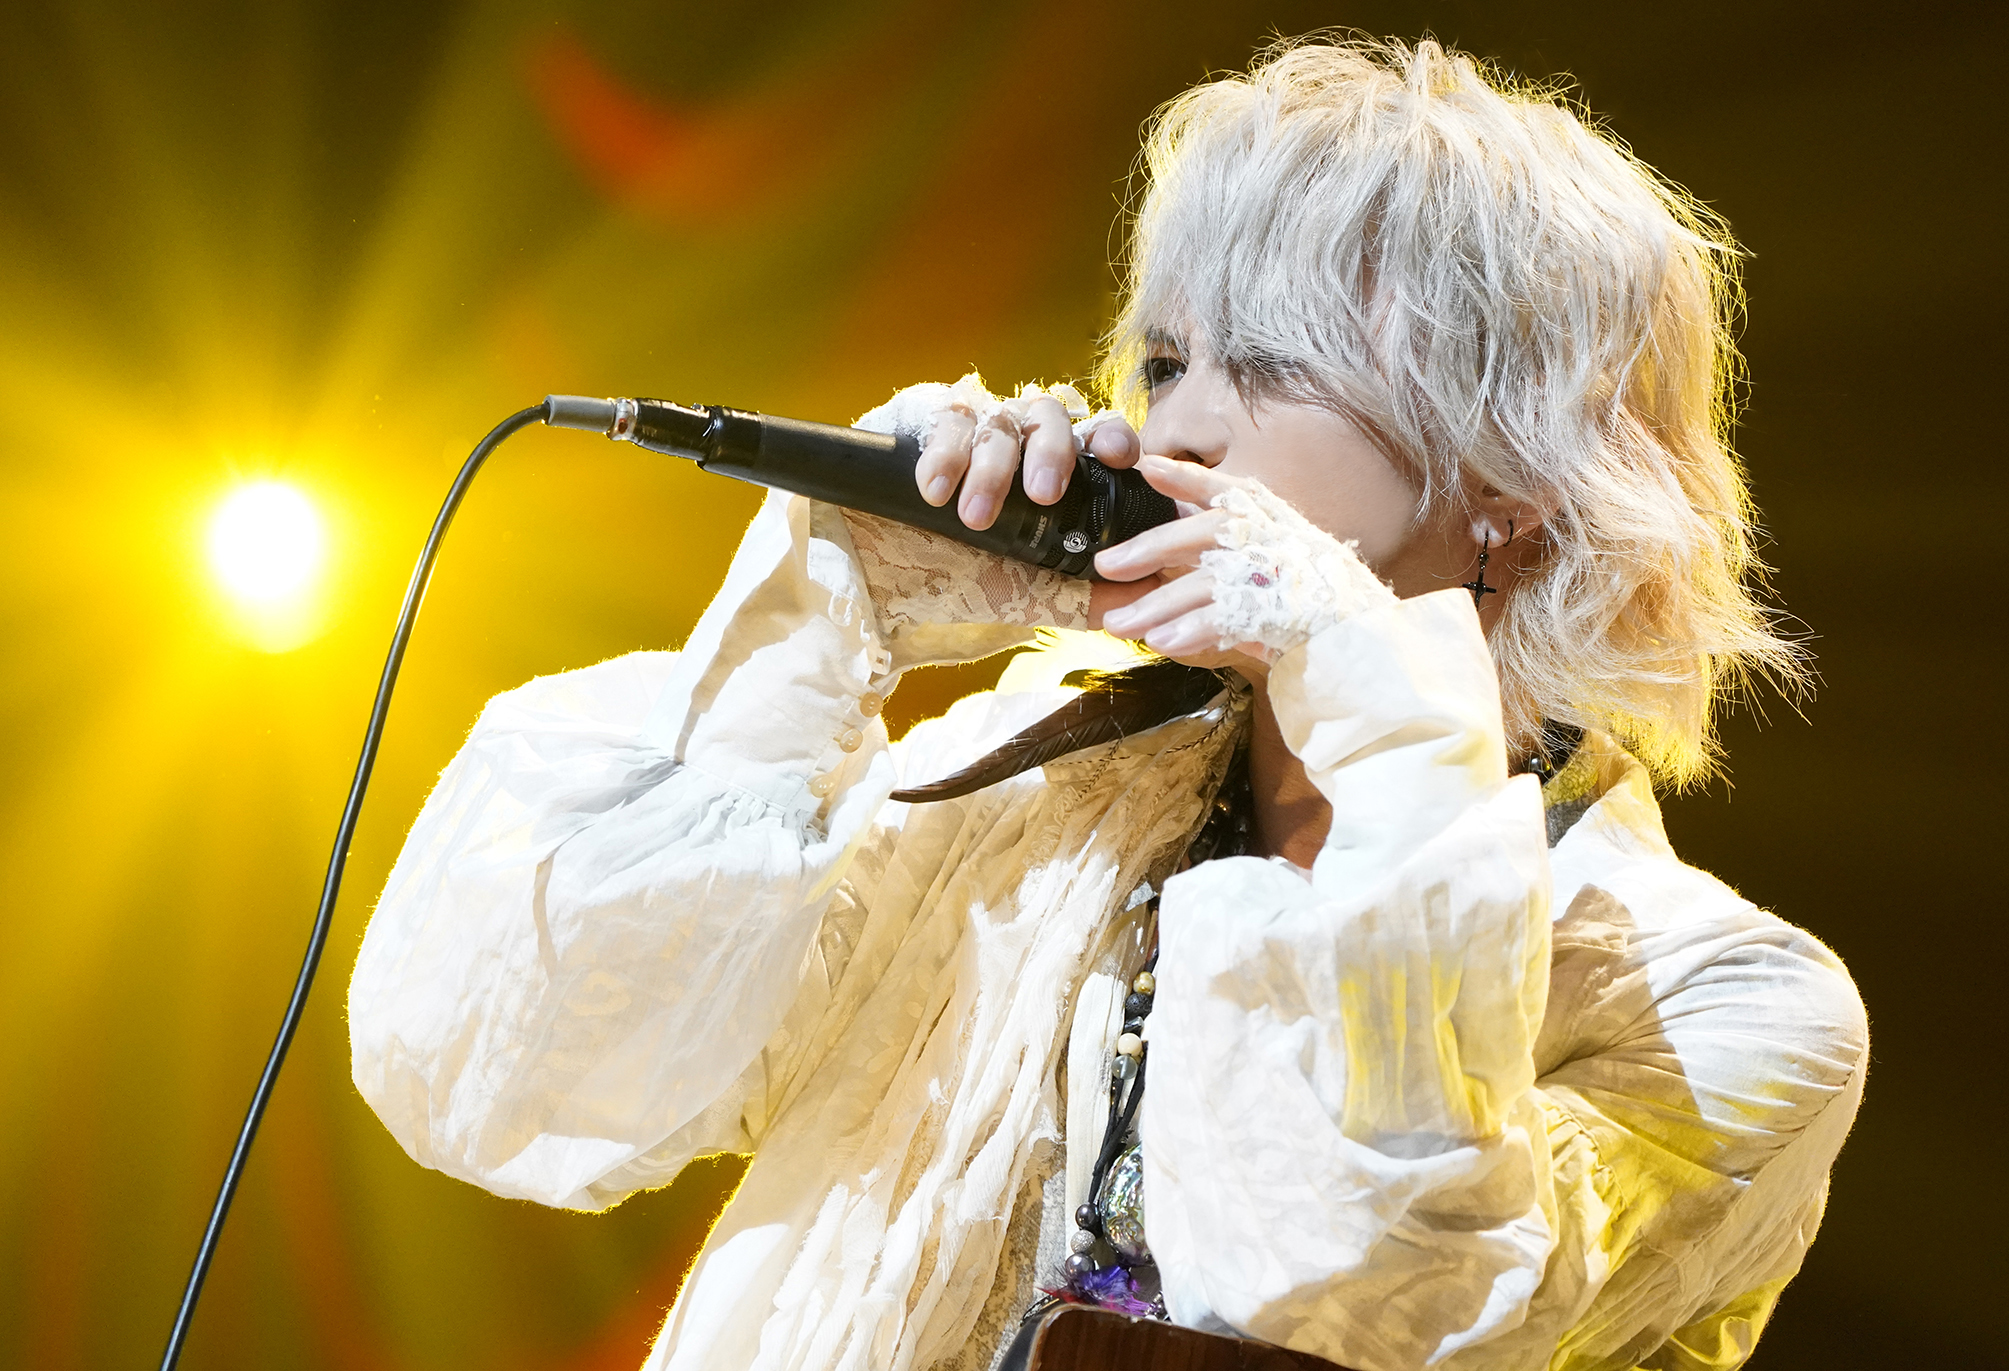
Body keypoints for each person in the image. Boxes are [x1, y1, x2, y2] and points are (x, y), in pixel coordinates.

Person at [348, 37, 1866, 1371]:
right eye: (1166, 357)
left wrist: (1387, 713)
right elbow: (527, 1086)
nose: (1174, 424)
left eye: (1270, 366)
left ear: (1513, 490)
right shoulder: (1015, 783)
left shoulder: (1725, 1006)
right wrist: (813, 628)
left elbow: (1361, 1305)